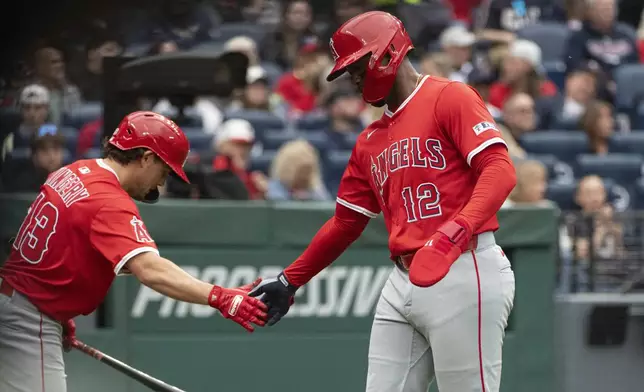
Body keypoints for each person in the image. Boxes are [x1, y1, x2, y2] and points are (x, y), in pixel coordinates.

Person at [251, 11, 516, 392]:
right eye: (348, 70)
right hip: (402, 280)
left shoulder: (448, 96)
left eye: (358, 65)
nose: (354, 78)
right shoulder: (369, 140)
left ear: (390, 52)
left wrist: (454, 233)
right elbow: (345, 224)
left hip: (463, 265)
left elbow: (500, 170)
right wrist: (290, 280)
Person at [0, 111, 267, 392]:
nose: (162, 183)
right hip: (27, 322)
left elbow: (51, 249)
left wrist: (59, 310)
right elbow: (151, 270)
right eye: (164, 171)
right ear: (147, 158)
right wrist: (220, 297)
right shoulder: (110, 201)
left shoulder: (73, 171)